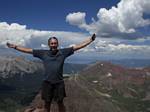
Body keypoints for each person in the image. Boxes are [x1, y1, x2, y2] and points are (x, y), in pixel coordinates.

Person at [6, 34, 96, 112]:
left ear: (57, 44)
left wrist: (90, 40)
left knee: (60, 103)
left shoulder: (63, 52)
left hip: (59, 83)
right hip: (47, 83)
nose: (53, 45)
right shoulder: (43, 53)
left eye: (55, 43)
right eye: (52, 43)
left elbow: (77, 47)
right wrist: (15, 47)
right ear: (49, 44)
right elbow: (28, 50)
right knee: (47, 104)